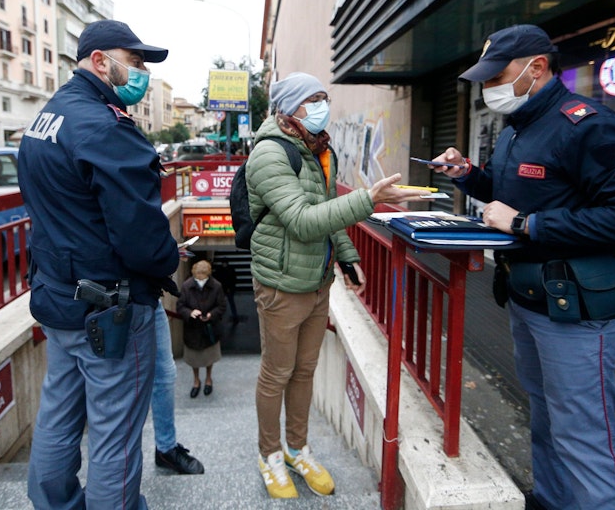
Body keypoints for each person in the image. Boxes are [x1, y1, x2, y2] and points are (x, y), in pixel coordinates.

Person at [432, 24, 615, 510]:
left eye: (498, 75)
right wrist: (470, 176)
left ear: (537, 67)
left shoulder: (590, 124)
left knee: (583, 434)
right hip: (529, 296)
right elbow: (509, 188)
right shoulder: (520, 127)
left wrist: (527, 224)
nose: (488, 87)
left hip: (577, 308)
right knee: (545, 418)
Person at [19, 19, 179, 509]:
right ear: (99, 61)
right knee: (115, 434)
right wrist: (170, 260)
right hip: (108, 311)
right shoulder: (106, 129)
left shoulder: (48, 118)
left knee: (58, 417)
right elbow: (141, 237)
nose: (140, 72)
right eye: (133, 62)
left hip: (59, 296)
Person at [246, 71, 428, 499]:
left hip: (317, 280)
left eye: (324, 98)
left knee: (305, 371)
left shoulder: (316, 149)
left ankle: (297, 448)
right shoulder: (270, 154)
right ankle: (269, 454)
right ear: (289, 108)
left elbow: (327, 210)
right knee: (277, 373)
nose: (322, 106)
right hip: (281, 284)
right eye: (313, 100)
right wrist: (369, 199)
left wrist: (347, 258)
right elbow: (305, 222)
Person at [150, 301, 205, 474]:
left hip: (148, 299)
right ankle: (112, 464)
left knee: (165, 375)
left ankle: (166, 449)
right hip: (105, 298)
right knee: (114, 386)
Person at [177, 260, 227, 397]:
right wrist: (190, 313)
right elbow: (180, 306)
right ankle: (196, 380)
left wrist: (212, 314)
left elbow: (222, 306)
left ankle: (208, 378)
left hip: (209, 328)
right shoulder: (187, 286)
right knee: (194, 358)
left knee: (209, 357)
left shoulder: (216, 286)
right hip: (193, 328)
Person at [211, 257, 241, 324]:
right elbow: (234, 279)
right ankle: (234, 316)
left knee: (221, 303)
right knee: (230, 303)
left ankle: (220, 316)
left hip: (224, 288)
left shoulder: (220, 270)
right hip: (227, 289)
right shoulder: (230, 269)